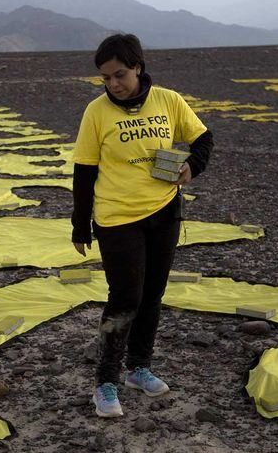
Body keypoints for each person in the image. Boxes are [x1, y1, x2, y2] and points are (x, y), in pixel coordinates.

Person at [71, 33, 214, 418]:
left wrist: (190, 167)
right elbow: (84, 172)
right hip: (117, 219)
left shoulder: (168, 101)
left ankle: (138, 369)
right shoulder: (97, 112)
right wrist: (80, 224)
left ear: (138, 67)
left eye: (120, 75)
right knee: (124, 298)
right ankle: (105, 382)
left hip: (164, 212)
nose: (113, 84)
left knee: (152, 295)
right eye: (105, 78)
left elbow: (202, 138)